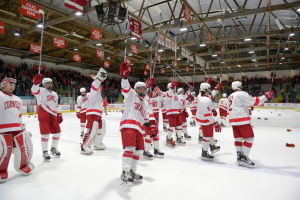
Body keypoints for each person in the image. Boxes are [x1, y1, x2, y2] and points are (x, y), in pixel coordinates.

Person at [119, 62, 158, 186]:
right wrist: (124, 77)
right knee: (130, 148)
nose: (142, 90)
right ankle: (125, 172)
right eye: (139, 88)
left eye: (143, 89)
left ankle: (132, 170)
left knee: (138, 150)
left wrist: (150, 126)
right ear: (135, 89)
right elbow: (125, 86)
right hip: (128, 125)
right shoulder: (130, 95)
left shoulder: (145, 104)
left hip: (138, 129)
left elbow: (144, 118)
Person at [228, 81, 274, 167]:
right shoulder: (241, 94)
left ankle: (239, 156)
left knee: (238, 139)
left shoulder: (230, 96)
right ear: (239, 86)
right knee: (249, 139)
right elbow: (255, 101)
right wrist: (266, 96)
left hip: (233, 120)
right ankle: (244, 158)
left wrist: (247, 105)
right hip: (242, 119)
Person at [0, 77, 34, 182]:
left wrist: (23, 128)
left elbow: (19, 116)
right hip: (3, 128)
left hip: (17, 128)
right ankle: (1, 171)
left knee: (22, 148)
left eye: (14, 85)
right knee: (5, 151)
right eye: (10, 84)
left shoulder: (18, 99)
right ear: (3, 85)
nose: (13, 87)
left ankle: (22, 165)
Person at [31, 75, 63, 161]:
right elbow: (34, 90)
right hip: (43, 113)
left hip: (53, 114)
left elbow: (56, 105)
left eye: (50, 83)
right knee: (45, 134)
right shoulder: (40, 90)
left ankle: (53, 149)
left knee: (57, 133)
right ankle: (45, 151)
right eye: (47, 83)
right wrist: (35, 83)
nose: (49, 84)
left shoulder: (55, 94)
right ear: (44, 84)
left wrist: (58, 113)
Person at [81, 68, 107, 153]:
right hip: (92, 114)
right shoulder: (93, 90)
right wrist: (98, 78)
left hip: (97, 114)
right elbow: (94, 84)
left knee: (100, 129)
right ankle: (84, 146)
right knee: (90, 130)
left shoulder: (99, 94)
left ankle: (97, 143)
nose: (100, 87)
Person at [196, 82, 222, 160]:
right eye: (209, 89)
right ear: (206, 90)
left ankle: (211, 146)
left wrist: (215, 90)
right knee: (207, 137)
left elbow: (209, 97)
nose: (210, 90)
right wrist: (215, 123)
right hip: (205, 120)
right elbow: (208, 115)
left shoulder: (199, 96)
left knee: (209, 135)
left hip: (200, 118)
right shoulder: (206, 100)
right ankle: (204, 152)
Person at [165, 81, 183, 146]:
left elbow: (179, 102)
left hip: (177, 112)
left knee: (179, 126)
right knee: (172, 127)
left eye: (174, 87)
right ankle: (168, 138)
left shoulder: (175, 94)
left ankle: (179, 138)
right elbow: (169, 95)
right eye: (173, 87)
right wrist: (171, 88)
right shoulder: (168, 93)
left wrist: (183, 109)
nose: (174, 88)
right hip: (171, 112)